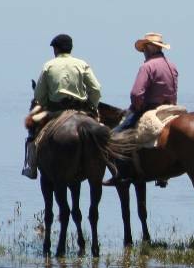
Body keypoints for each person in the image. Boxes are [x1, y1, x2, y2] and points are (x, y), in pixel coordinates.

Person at [22, 33, 102, 179]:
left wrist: (45, 105)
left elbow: (39, 95)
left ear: (56, 49)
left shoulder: (49, 65)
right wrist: (92, 105)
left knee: (33, 135)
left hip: (56, 111)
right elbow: (96, 89)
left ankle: (31, 167)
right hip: (81, 109)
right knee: (101, 136)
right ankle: (108, 163)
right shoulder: (82, 64)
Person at [112, 32, 179, 134]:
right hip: (171, 107)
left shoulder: (147, 66)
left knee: (116, 133)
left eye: (144, 49)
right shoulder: (172, 66)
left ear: (149, 48)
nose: (144, 52)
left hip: (151, 107)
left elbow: (136, 94)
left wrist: (137, 107)